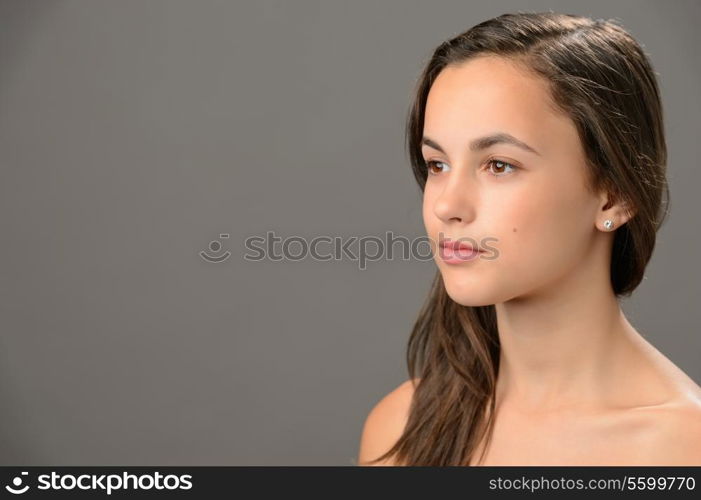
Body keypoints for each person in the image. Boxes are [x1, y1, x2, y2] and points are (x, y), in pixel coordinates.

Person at [357, 11, 701, 466]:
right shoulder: (400, 430)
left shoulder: (683, 449)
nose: (446, 205)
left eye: (499, 165)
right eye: (437, 165)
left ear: (614, 195)